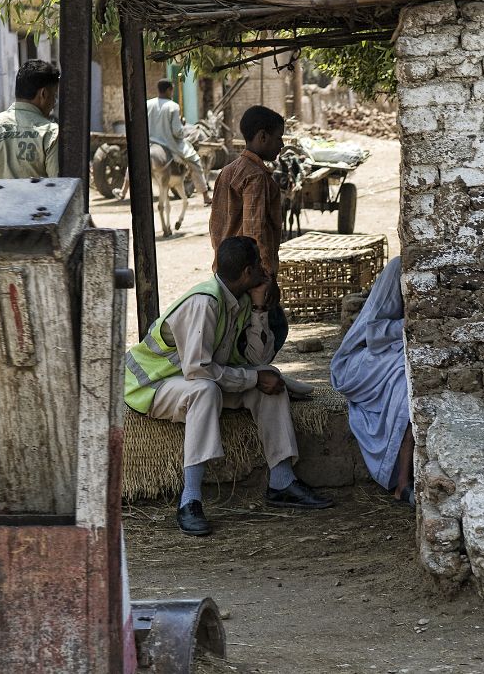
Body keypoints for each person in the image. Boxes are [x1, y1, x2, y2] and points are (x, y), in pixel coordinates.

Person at [124, 236, 332, 537]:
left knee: (269, 379)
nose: (264, 271)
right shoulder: (205, 302)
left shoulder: (240, 301)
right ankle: (190, 500)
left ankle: (282, 481)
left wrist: (259, 308)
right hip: (151, 385)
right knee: (206, 391)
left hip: (191, 379)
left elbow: (257, 359)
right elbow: (198, 370)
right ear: (247, 272)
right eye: (259, 265)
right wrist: (253, 379)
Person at [330, 257, 415, 507]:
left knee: (409, 376)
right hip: (362, 360)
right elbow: (375, 332)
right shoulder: (399, 268)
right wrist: (411, 323)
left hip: (391, 352)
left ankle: (405, 482)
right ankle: (402, 483)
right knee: (405, 382)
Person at [209, 105, 287, 353]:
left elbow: (216, 226)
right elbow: (256, 232)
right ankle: (253, 373)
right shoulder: (257, 177)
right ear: (262, 136)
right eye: (278, 138)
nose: (281, 144)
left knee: (234, 333)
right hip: (251, 275)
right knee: (272, 329)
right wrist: (268, 278)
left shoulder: (227, 171)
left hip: (227, 271)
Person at [0, 59, 60, 193]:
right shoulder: (51, 133)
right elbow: (58, 189)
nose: (53, 104)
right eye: (54, 96)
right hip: (34, 207)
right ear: (44, 94)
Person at [147, 78, 212, 206]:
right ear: (168, 90)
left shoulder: (148, 104)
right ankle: (205, 196)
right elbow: (177, 132)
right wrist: (182, 126)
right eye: (172, 90)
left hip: (149, 142)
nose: (172, 93)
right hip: (169, 144)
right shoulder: (173, 106)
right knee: (195, 160)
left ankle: (124, 190)